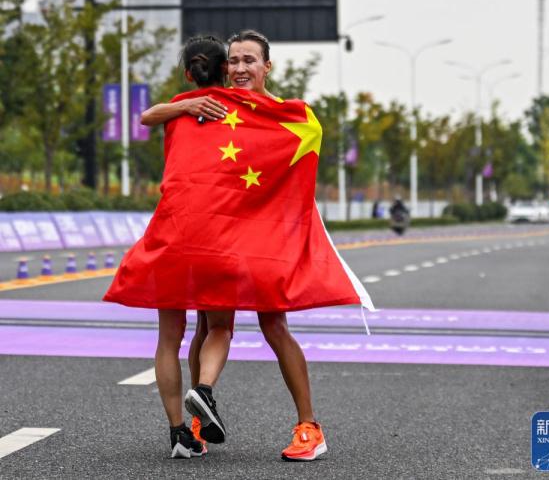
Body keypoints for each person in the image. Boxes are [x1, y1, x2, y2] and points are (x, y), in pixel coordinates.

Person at [106, 28, 373, 462]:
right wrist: (189, 104)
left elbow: (306, 141)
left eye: (250, 60)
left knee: (273, 326)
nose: (240, 68)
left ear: (267, 66)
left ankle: (309, 427)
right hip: (220, 241)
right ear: (222, 66)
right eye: (233, 60)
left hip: (261, 240)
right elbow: (154, 117)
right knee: (207, 326)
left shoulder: (280, 114)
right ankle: (199, 414)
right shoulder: (212, 104)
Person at [104, 34, 231, 459]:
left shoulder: (173, 110)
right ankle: (205, 394)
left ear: (186, 73)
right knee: (219, 327)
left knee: (168, 340)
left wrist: (184, 105)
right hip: (217, 232)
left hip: (172, 231)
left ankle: (179, 433)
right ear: (227, 70)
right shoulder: (241, 111)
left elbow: (145, 116)